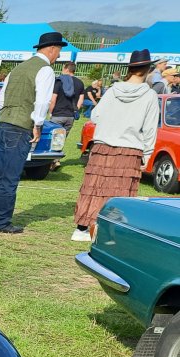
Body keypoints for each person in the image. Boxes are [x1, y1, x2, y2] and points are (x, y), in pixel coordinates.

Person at [72, 50, 159, 243]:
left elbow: (95, 116)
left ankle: (82, 228)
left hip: (103, 146)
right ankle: (109, 233)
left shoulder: (112, 90)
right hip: (130, 149)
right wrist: (147, 153)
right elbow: (150, 128)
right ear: (147, 69)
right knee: (119, 192)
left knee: (94, 187)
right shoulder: (150, 95)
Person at [0, 31, 64, 234]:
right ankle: (1, 221)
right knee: (10, 176)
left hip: (4, 122)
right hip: (20, 126)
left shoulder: (18, 69)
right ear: (53, 49)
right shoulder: (45, 70)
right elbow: (42, 102)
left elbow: (1, 100)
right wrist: (37, 125)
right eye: (58, 52)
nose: (58, 56)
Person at [48, 61, 84, 169]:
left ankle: (52, 161)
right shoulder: (80, 83)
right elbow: (80, 101)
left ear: (67, 69)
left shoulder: (59, 81)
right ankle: (56, 159)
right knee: (62, 138)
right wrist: (75, 110)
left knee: (52, 139)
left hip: (58, 114)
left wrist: (50, 112)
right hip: (70, 116)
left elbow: (53, 99)